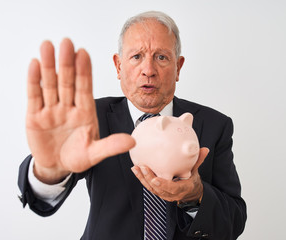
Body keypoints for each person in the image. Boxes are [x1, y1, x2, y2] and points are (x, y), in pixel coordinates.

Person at [18, 11, 247, 240]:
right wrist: (49, 171)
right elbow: (40, 200)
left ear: (179, 67)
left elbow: (234, 221)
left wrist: (196, 195)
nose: (148, 70)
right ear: (118, 66)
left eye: (161, 57)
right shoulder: (90, 117)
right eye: (136, 56)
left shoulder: (215, 125)